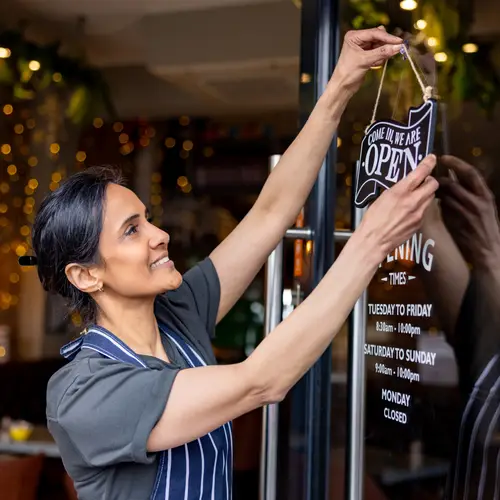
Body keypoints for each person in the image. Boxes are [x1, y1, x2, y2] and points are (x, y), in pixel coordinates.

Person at [31, 28, 438, 500]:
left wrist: (342, 84)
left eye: (148, 219)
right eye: (131, 230)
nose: (159, 235)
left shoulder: (179, 315)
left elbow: (270, 214)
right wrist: (372, 240)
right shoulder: (83, 394)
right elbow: (260, 382)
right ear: (86, 275)